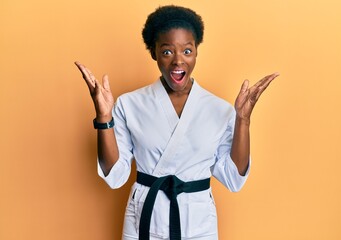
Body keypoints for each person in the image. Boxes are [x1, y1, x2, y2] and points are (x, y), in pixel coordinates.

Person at [75, 5, 279, 240]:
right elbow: (115, 175)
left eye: (187, 51)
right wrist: (104, 119)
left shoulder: (219, 109)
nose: (178, 61)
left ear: (196, 52)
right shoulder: (129, 104)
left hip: (199, 224)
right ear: (154, 53)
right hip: (143, 218)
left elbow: (233, 177)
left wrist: (243, 121)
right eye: (167, 52)